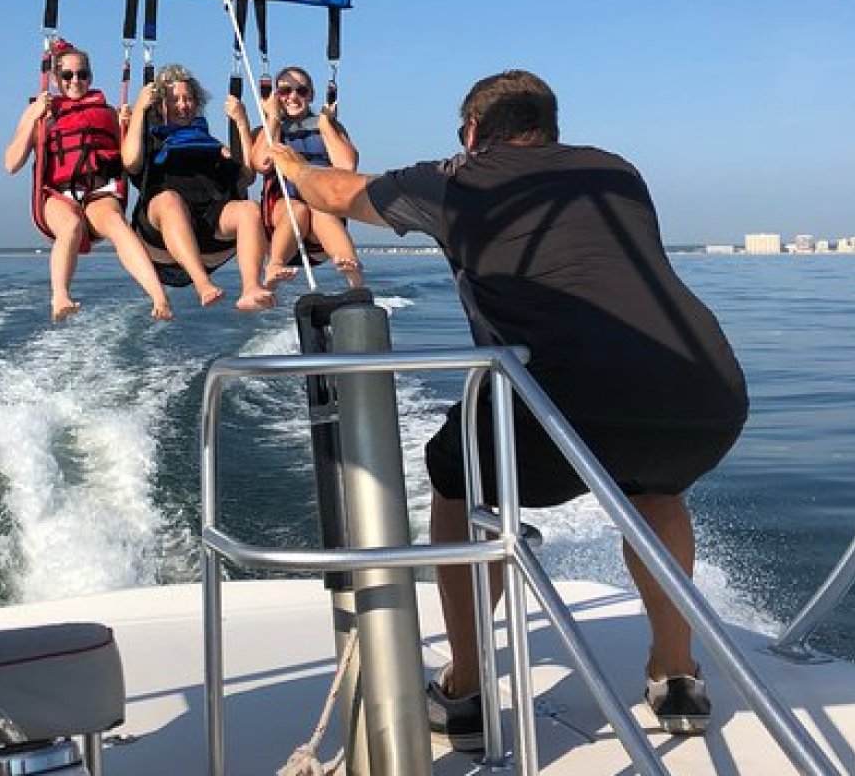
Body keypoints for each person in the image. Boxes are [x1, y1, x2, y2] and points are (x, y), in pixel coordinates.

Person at [270, 69, 749, 747]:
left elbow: (336, 192)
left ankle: (465, 687)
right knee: (655, 487)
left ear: (471, 133)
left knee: (459, 480)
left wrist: (285, 159)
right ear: (547, 127)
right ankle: (676, 676)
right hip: (706, 394)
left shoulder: (456, 180)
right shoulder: (615, 171)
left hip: (567, 403)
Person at [4, 42, 172, 321]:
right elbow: (11, 164)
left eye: (82, 75)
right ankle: (60, 296)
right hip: (57, 195)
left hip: (99, 191)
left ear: (90, 77)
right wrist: (33, 118)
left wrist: (129, 125)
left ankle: (158, 296)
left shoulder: (108, 112)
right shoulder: (42, 113)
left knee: (119, 226)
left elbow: (130, 159)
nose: (75, 81)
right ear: (57, 80)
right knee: (70, 226)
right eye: (67, 76)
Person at [122, 64, 275, 312]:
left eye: (189, 98)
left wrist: (241, 122)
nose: (183, 105)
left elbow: (246, 177)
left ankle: (250, 288)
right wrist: (140, 108)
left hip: (209, 235)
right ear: (160, 104)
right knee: (169, 200)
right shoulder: (149, 139)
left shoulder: (210, 144)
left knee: (249, 209)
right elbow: (130, 162)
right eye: (175, 99)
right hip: (161, 243)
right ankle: (202, 284)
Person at [249, 65, 364, 289]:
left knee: (318, 208)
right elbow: (262, 164)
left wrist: (325, 125)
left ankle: (355, 279)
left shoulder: (329, 127)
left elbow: (347, 166)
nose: (293, 97)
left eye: (301, 91)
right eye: (284, 91)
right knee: (298, 209)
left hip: (321, 225)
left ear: (310, 95)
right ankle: (274, 265)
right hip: (283, 215)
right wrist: (272, 118)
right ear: (275, 96)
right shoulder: (266, 129)